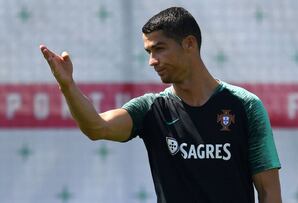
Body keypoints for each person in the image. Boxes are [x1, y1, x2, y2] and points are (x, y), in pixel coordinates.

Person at [40, 7, 281, 203]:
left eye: (159, 49)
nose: (152, 61)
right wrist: (68, 86)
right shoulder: (151, 108)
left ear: (189, 44)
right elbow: (97, 127)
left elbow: (269, 191)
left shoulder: (245, 106)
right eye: (148, 51)